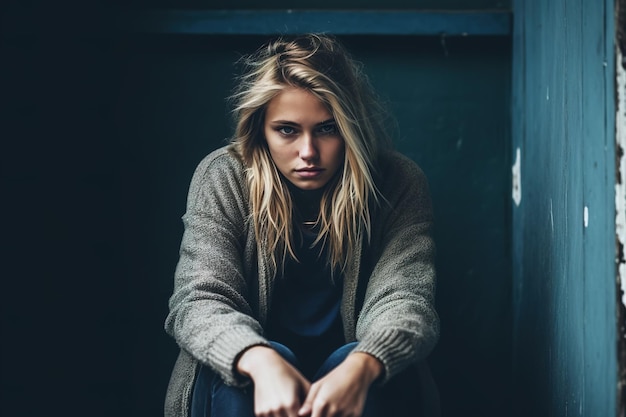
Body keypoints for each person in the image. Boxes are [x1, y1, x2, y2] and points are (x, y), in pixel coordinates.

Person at [164, 34, 440, 417]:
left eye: (327, 128)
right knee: (246, 372)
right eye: (287, 130)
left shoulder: (397, 182)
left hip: (353, 382)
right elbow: (200, 300)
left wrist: (363, 366)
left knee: (363, 367)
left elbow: (406, 299)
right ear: (260, 128)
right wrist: (259, 360)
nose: (308, 152)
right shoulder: (224, 177)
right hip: (245, 386)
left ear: (350, 127)